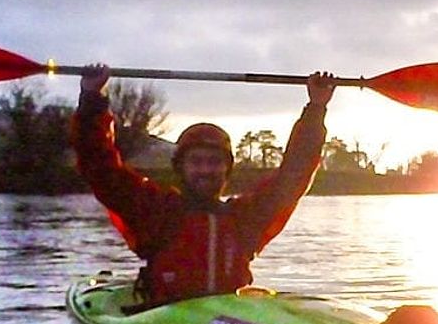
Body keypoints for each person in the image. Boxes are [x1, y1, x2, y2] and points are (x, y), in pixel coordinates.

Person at [71, 63, 336, 305]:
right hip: (165, 319)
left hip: (231, 320)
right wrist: (93, 98)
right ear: (181, 168)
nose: (205, 170)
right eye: (196, 161)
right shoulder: (154, 210)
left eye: (214, 162)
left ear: (227, 169)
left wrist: (316, 108)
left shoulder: (245, 217)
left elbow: (293, 176)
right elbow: (100, 167)